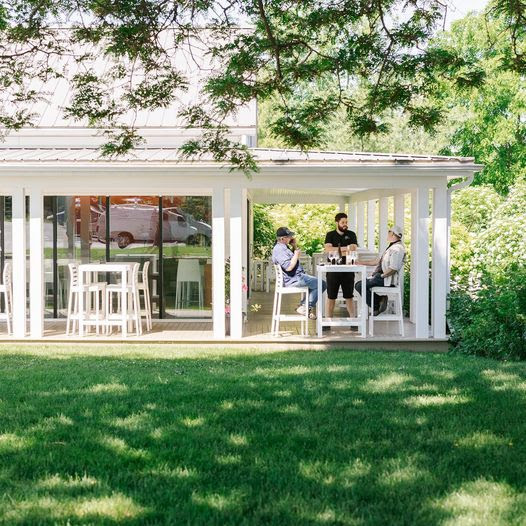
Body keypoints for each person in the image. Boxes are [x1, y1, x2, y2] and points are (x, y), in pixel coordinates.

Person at [272, 227, 326, 319]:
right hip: (294, 280)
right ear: (282, 239)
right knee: (321, 284)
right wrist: (296, 255)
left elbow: (291, 260)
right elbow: (289, 267)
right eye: (289, 237)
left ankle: (304, 307)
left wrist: (294, 246)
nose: (291, 238)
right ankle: (304, 307)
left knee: (318, 284)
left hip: (297, 277)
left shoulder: (284, 247)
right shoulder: (279, 249)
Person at [355, 225, 406, 316]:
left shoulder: (397, 249)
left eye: (389, 232)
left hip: (386, 279)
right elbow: (376, 262)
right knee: (359, 285)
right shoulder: (391, 247)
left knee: (360, 285)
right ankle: (379, 301)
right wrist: (360, 262)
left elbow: (393, 268)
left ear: (393, 234)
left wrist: (382, 276)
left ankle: (376, 304)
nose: (387, 234)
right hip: (380, 277)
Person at [324, 213, 358, 323]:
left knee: (349, 296)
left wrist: (337, 250)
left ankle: (353, 321)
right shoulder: (330, 234)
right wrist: (346, 248)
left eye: (346, 222)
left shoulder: (351, 234)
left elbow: (353, 250)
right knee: (331, 296)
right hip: (333, 269)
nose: (345, 224)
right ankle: (328, 322)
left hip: (348, 269)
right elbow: (328, 250)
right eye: (343, 222)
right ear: (337, 222)